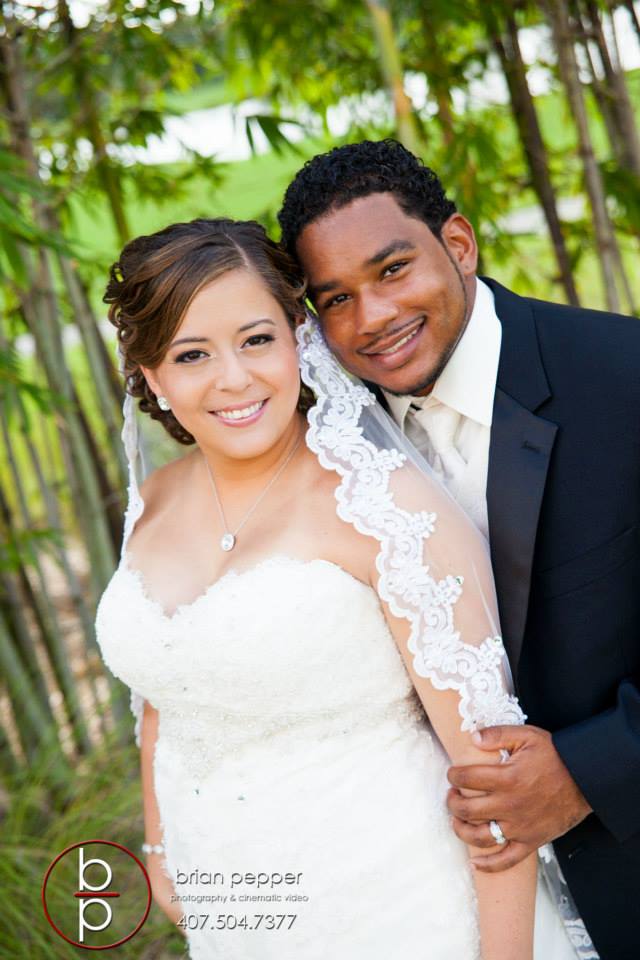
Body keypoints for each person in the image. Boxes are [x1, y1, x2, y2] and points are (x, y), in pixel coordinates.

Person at [95, 217, 580, 960]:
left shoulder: (385, 509)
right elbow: (164, 688)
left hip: (402, 908)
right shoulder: (153, 501)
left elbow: (495, 781)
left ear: (299, 337)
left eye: (257, 339)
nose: (234, 378)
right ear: (152, 376)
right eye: (193, 354)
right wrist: (161, 845)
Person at [277, 138, 640, 960]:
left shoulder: (626, 379)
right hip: (434, 901)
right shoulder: (332, 443)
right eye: (334, 299)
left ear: (460, 244)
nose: (371, 319)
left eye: (393, 269)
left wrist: (590, 771)